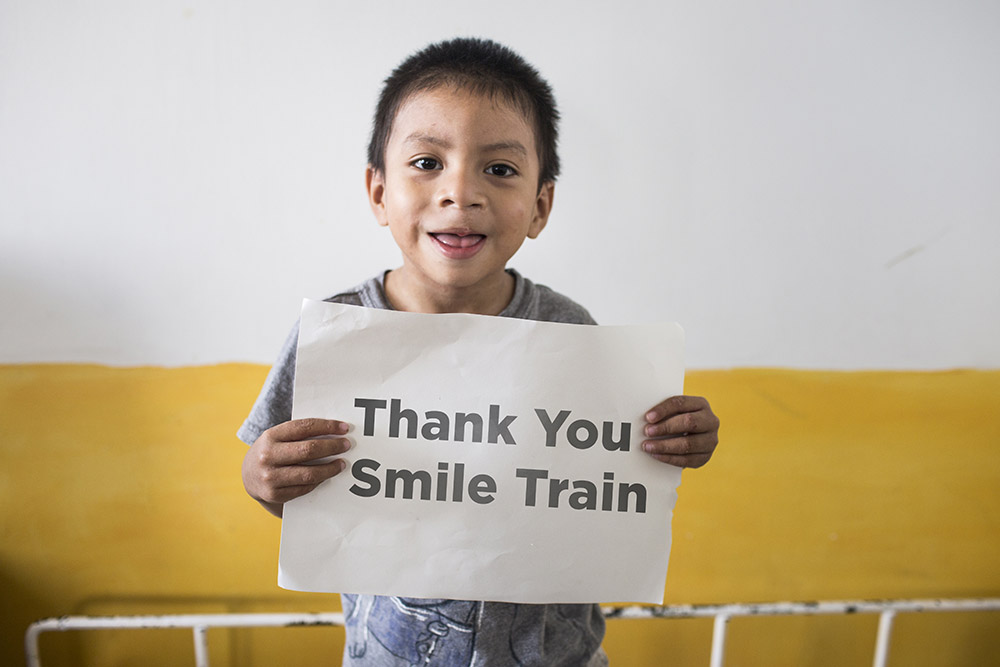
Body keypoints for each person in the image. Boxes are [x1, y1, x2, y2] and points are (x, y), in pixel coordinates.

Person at [239, 37, 720, 666]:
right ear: (379, 193)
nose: (460, 192)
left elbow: (614, 472)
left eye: (499, 169)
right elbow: (288, 487)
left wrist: (676, 445)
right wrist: (263, 478)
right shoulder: (337, 333)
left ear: (540, 205)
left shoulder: (569, 331)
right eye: (426, 162)